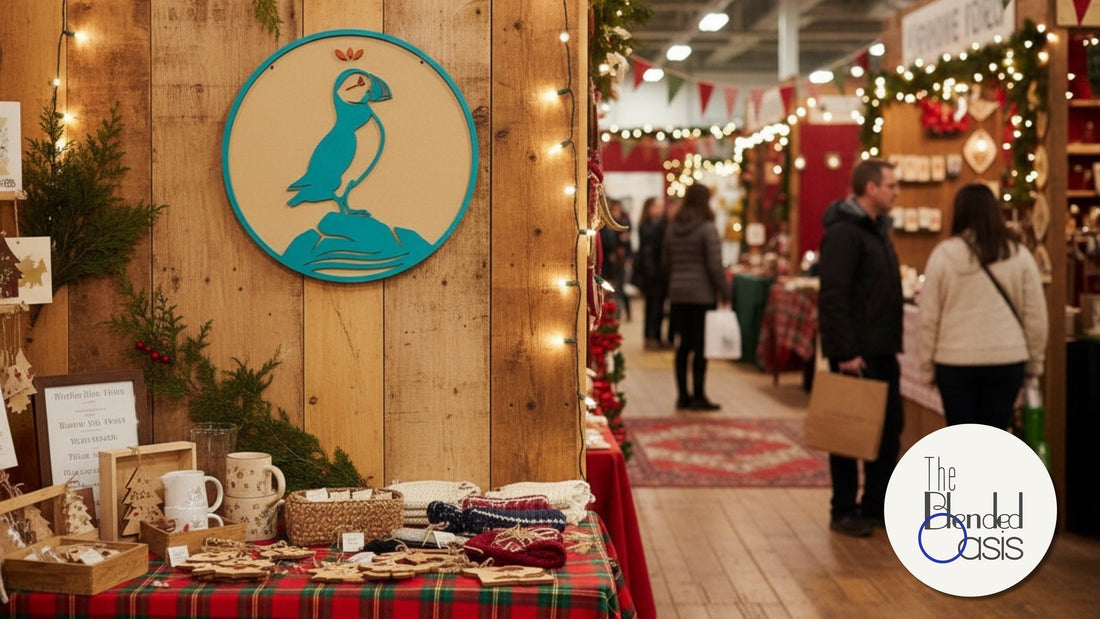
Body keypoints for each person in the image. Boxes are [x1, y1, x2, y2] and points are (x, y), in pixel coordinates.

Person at [817, 158, 904, 538]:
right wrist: (846, 351)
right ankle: (845, 507)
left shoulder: (878, 229)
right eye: (891, 185)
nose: (896, 191)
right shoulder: (843, 233)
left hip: (883, 347)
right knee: (849, 431)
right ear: (871, 188)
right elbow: (833, 296)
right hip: (857, 352)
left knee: (888, 431)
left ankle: (876, 505)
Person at [917, 183, 1048, 429]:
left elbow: (928, 317)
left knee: (961, 437)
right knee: (995, 436)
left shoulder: (943, 255)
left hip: (954, 360)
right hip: (1007, 358)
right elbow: (1035, 316)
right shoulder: (1018, 255)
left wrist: (926, 367)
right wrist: (1035, 364)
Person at [663, 184, 729, 411]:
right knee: (701, 347)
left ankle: (682, 396)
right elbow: (714, 265)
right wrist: (725, 290)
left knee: (683, 346)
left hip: (678, 294)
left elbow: (667, 261)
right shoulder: (707, 228)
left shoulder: (673, 227)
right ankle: (699, 395)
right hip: (702, 295)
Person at [633, 197, 669, 349]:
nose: (660, 209)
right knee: (652, 307)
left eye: (661, 206)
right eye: (656, 206)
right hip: (651, 274)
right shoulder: (648, 226)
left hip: (657, 273)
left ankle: (656, 337)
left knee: (658, 307)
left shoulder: (660, 224)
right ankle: (651, 337)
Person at [599, 199, 633, 321]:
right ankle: (612, 313)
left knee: (620, 288)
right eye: (614, 209)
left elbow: (626, 242)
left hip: (620, 261)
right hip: (610, 262)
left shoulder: (623, 222)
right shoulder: (606, 226)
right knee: (612, 288)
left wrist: (628, 255)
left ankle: (623, 312)